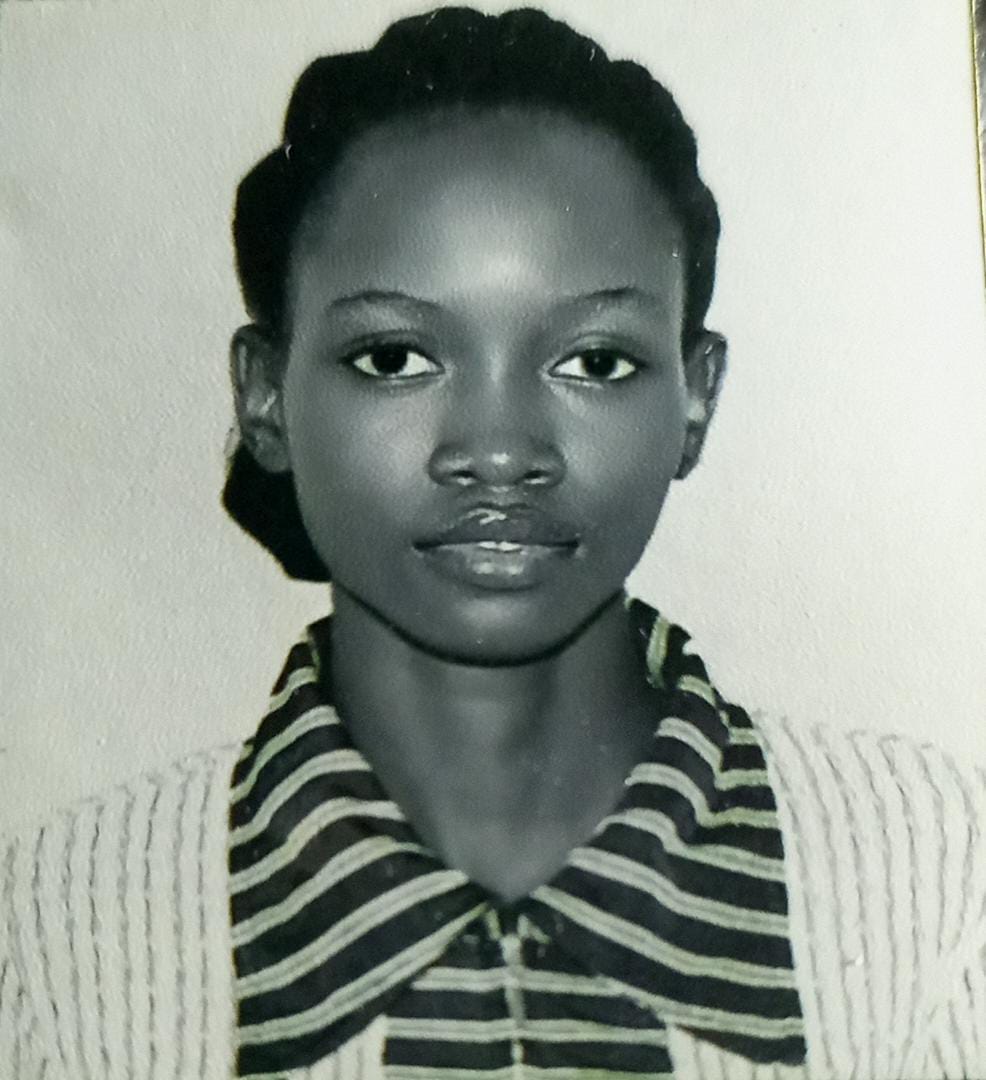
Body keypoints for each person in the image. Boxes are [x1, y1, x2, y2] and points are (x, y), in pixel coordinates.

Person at [2, 7, 985, 1079]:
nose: (501, 450)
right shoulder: (58, 936)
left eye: (594, 362)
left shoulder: (936, 881)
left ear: (695, 399)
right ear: (265, 396)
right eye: (393, 358)